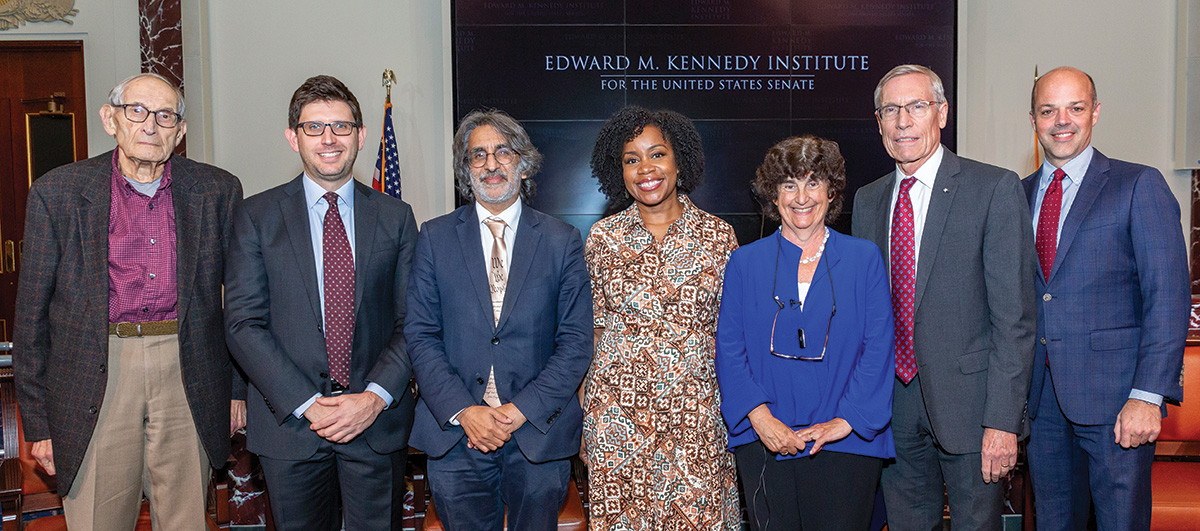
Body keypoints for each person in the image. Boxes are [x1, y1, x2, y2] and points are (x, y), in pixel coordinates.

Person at [13, 72, 245, 530]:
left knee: (185, 520)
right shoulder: (56, 192)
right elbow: (31, 318)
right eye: (136, 111)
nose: (150, 125)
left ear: (180, 131)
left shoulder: (218, 191)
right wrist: (38, 425)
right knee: (99, 517)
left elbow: (240, 302)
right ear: (110, 119)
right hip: (94, 371)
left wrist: (236, 391)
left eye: (165, 116)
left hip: (188, 368)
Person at [223, 75, 417, 530]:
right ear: (293, 138)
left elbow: (415, 321)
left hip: (375, 424)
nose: (328, 139)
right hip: (290, 426)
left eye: (341, 126)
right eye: (314, 128)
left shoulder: (396, 217)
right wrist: (309, 403)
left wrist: (372, 399)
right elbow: (243, 324)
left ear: (361, 135)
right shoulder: (256, 216)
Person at [850, 64, 1037, 530]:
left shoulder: (992, 188)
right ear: (878, 123)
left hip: (974, 411)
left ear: (942, 113)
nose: (903, 121)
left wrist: (1003, 420)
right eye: (890, 110)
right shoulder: (868, 200)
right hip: (893, 407)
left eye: (916, 106)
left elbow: (1015, 318)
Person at [406, 109, 592, 531]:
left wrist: (518, 411)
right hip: (456, 436)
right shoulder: (434, 238)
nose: (491, 164)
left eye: (502, 152)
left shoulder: (562, 241)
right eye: (478, 155)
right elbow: (420, 335)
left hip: (536, 434)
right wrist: (465, 411)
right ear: (465, 170)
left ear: (523, 164)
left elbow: (576, 342)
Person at [1023, 66, 1189, 530]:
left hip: (1119, 403)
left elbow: (1168, 299)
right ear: (1032, 119)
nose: (1062, 120)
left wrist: (1147, 396)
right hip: (1042, 403)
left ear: (1095, 112)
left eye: (1075, 108)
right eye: (1048, 110)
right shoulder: (1015, 196)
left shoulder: (1138, 185)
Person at [716, 135, 895, 530]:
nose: (802, 196)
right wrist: (760, 418)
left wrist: (845, 422)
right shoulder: (744, 262)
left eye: (814, 182)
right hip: (765, 439)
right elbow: (729, 348)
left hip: (847, 441)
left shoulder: (864, 257)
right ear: (773, 195)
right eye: (789, 184)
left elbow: (879, 346)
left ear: (831, 192)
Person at [583, 105, 742, 530]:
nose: (645, 169)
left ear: (679, 161)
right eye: (631, 159)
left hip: (697, 421)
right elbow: (594, 330)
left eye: (657, 154)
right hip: (618, 423)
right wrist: (588, 418)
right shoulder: (603, 239)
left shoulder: (719, 236)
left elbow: (733, 337)